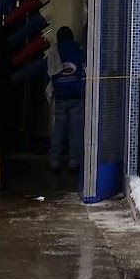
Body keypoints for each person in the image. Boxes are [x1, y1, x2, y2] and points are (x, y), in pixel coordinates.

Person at [48, 26, 85, 172]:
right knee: (75, 129)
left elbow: (49, 71)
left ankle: (55, 161)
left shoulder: (54, 52)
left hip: (60, 96)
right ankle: (73, 161)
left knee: (58, 128)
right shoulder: (78, 50)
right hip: (76, 95)